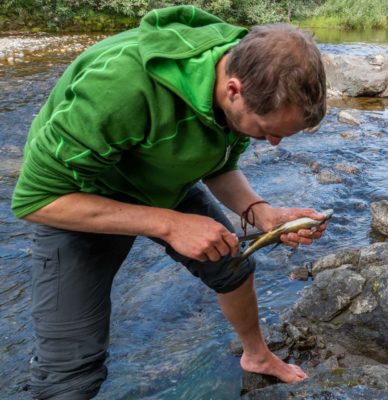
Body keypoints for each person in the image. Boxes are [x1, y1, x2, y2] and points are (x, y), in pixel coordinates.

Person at [11, 5, 327, 399]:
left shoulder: (245, 68)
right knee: (70, 376)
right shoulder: (120, 89)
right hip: (78, 195)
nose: (274, 143)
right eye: (267, 132)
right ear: (233, 89)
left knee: (232, 265)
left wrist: (259, 212)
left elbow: (219, 162)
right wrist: (170, 224)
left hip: (161, 178)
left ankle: (257, 356)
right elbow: (34, 199)